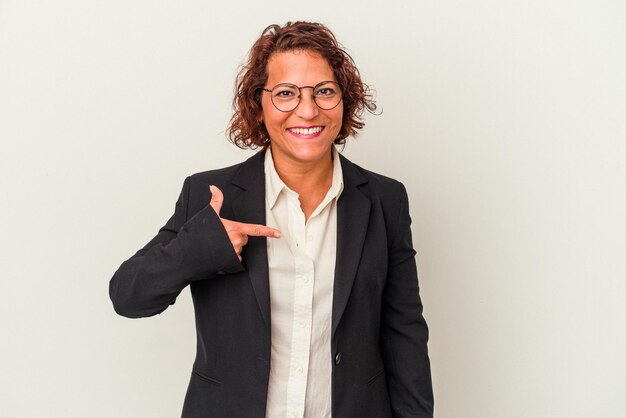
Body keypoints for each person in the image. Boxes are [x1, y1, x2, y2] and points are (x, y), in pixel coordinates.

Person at [109, 21, 433, 418]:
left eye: (325, 91)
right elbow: (128, 297)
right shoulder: (211, 196)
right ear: (258, 106)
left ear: (344, 100)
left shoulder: (385, 199)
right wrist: (202, 246)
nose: (308, 109)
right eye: (286, 94)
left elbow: (405, 336)